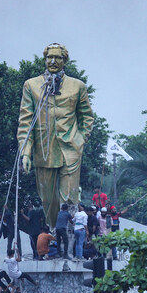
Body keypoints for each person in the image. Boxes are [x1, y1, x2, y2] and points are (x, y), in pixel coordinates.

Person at [17, 43, 95, 228]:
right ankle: (54, 232)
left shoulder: (78, 86)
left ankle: (67, 238)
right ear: (45, 59)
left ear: (65, 60)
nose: (53, 61)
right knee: (47, 199)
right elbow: (25, 122)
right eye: (49, 57)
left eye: (58, 57)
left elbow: (87, 117)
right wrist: (26, 153)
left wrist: (80, 139)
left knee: (69, 198)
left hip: (70, 150)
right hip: (44, 151)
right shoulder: (31, 85)